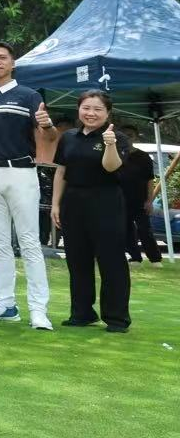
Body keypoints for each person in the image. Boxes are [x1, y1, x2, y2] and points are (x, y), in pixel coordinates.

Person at [0, 40, 55, 328]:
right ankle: (4, 304)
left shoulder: (29, 96)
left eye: (2, 57)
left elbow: (49, 137)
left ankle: (38, 309)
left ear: (12, 63)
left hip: (21, 172)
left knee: (29, 242)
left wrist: (47, 124)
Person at [51, 90, 132, 332]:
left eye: (98, 109)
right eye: (86, 108)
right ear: (79, 109)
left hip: (106, 202)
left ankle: (116, 318)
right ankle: (82, 313)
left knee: (111, 261)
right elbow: (61, 171)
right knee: (77, 260)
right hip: (73, 202)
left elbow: (111, 167)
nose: (91, 113)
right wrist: (55, 204)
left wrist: (109, 144)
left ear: (108, 113)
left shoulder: (117, 137)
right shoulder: (69, 137)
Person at [117, 132, 162, 265]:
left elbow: (150, 180)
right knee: (126, 230)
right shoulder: (117, 155)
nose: (127, 139)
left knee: (145, 229)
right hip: (120, 200)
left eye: (130, 136)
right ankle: (135, 257)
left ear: (135, 137)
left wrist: (149, 200)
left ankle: (155, 258)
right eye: (124, 136)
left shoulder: (143, 156)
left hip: (140, 200)